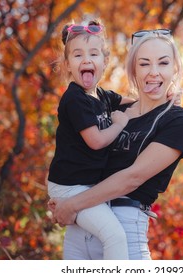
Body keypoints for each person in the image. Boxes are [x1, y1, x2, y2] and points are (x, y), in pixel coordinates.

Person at [49, 28, 183, 260]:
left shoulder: (177, 120)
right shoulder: (112, 112)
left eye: (163, 63)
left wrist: (72, 204)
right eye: (144, 64)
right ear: (133, 70)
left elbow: (132, 178)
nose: (154, 72)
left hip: (123, 232)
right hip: (81, 229)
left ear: (174, 69)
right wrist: (67, 196)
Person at [47, 19, 134, 260]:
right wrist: (118, 124)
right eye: (77, 55)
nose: (86, 60)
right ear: (67, 65)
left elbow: (133, 103)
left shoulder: (102, 95)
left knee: (77, 246)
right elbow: (95, 141)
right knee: (114, 236)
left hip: (84, 185)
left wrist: (161, 98)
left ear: (104, 61)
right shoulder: (75, 99)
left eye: (94, 53)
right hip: (70, 185)